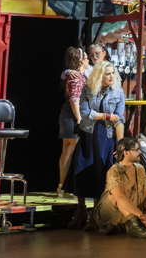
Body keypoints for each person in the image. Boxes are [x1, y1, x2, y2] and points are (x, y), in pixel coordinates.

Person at [73, 61, 126, 226]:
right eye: (107, 73)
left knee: (100, 172)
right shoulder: (88, 89)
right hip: (88, 133)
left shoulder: (118, 92)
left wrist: (120, 144)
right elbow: (84, 112)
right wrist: (106, 116)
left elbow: (120, 119)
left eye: (112, 73)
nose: (111, 76)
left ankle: (96, 214)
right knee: (80, 170)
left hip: (106, 136)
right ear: (99, 75)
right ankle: (80, 210)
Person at [88, 137, 146, 238]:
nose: (140, 152)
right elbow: (119, 198)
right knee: (116, 197)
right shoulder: (114, 171)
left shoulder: (140, 169)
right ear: (126, 153)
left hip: (129, 211)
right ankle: (130, 226)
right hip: (110, 211)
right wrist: (141, 215)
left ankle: (122, 225)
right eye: (136, 150)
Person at [58, 46, 88, 197]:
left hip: (69, 115)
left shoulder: (75, 74)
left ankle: (63, 185)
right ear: (80, 60)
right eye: (85, 56)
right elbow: (74, 98)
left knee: (68, 151)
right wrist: (79, 118)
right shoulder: (74, 76)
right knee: (69, 151)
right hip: (72, 115)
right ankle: (63, 186)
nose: (88, 59)